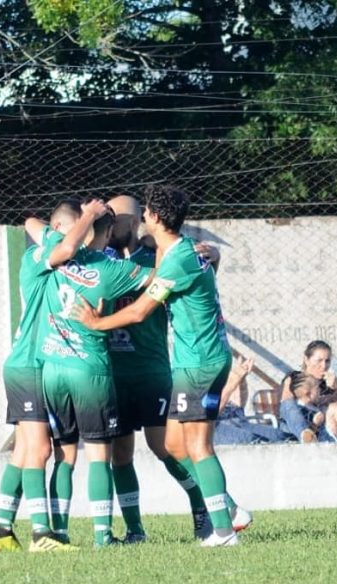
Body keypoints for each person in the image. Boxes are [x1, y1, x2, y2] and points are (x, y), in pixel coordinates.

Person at [72, 184, 243, 547]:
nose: (111, 222)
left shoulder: (169, 258)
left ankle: (222, 529)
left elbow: (139, 310)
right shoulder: (173, 252)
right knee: (178, 445)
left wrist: (95, 323)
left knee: (192, 447)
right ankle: (227, 510)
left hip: (188, 364)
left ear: (145, 219)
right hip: (181, 362)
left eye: (122, 216)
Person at [103, 195, 222, 543]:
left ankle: (204, 507)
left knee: (167, 448)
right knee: (120, 455)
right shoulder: (101, 259)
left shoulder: (158, 256)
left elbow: (199, 272)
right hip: (114, 372)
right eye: (108, 218)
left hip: (152, 370)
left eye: (118, 218)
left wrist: (216, 256)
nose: (112, 225)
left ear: (137, 220)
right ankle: (135, 530)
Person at [40, 198, 155, 548]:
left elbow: (33, 224)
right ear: (107, 232)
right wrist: (161, 244)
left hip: (52, 367)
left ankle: (58, 532)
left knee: (64, 455)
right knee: (100, 456)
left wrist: (86, 216)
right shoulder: (112, 271)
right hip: (90, 372)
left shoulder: (60, 254)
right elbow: (163, 276)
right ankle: (103, 534)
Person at [0, 198, 84, 553]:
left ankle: (0, 528)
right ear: (56, 232)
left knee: (25, 450)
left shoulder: (62, 263)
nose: (77, 243)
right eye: (72, 233)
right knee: (40, 449)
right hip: (27, 366)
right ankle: (41, 534)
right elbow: (36, 225)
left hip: (37, 366)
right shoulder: (38, 257)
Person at [215, 355, 287, 445]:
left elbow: (238, 403)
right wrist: (232, 382)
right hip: (210, 428)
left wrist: (241, 382)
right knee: (248, 439)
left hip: (238, 420)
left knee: (278, 435)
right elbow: (204, 415)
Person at [281, 372, 337, 443]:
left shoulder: (314, 403)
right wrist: (315, 422)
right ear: (308, 393)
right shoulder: (302, 408)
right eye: (317, 388)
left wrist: (334, 390)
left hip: (334, 432)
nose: (320, 390)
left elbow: (334, 399)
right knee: (334, 408)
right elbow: (308, 423)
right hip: (324, 438)